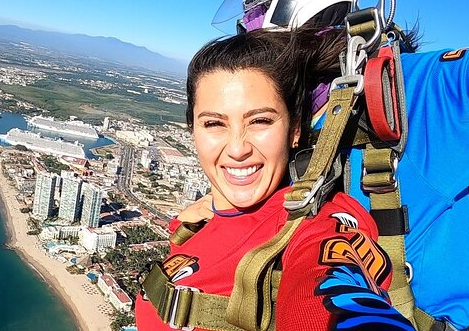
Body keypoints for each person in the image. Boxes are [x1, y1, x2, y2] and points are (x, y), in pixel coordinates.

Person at [212, 0, 469, 331]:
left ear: (308, 38)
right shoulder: (286, 119)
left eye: (260, 48)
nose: (250, 65)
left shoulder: (417, 93)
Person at [135, 29, 415, 331]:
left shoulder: (313, 225)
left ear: (294, 130)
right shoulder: (195, 223)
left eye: (260, 121)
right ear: (193, 130)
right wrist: (184, 225)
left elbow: (329, 289)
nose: (238, 148)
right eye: (214, 123)